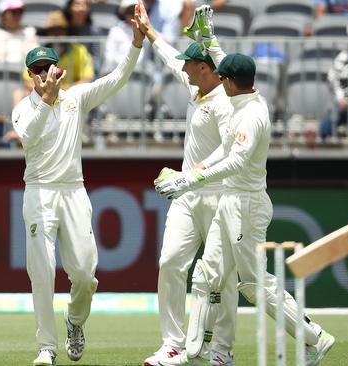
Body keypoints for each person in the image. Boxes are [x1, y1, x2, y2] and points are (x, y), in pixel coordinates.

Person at [153, 6, 334, 366]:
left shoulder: (251, 115)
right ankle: (213, 352)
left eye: (222, 78)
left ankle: (316, 338)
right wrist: (211, 36)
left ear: (230, 83)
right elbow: (222, 147)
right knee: (208, 272)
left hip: (246, 205)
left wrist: (190, 178)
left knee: (253, 284)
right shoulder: (244, 96)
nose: (218, 80)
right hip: (229, 202)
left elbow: (235, 161)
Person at [10, 10, 143, 365]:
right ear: (30, 75)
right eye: (37, 70)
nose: (43, 75)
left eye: (48, 68)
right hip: (38, 191)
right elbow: (27, 138)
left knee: (85, 274)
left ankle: (75, 322)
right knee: (40, 272)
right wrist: (47, 101)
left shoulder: (76, 99)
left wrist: (136, 43)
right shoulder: (22, 109)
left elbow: (117, 78)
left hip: (73, 191)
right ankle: (46, 347)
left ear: (58, 69)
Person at [135, 2, 236, 365]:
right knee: (170, 262)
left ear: (205, 68)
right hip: (187, 195)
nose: (183, 67)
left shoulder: (225, 102)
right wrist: (149, 33)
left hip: (218, 195)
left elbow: (229, 151)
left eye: (189, 64)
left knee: (220, 278)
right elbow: (168, 58)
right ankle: (173, 344)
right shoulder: (196, 88)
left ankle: (221, 351)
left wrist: (189, 174)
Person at [0, 0, 39, 65]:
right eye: (14, 12)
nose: (17, 15)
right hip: (0, 73)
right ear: (2, 15)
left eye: (20, 12)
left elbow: (37, 57)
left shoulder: (29, 33)